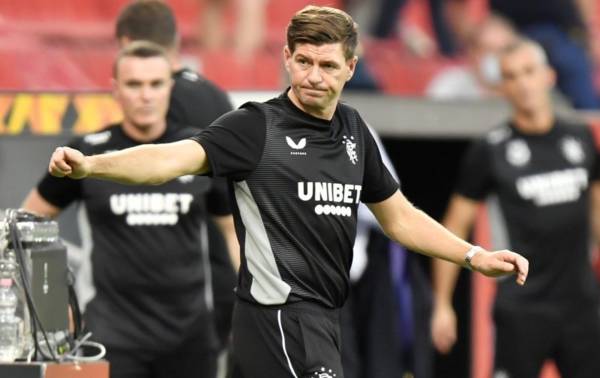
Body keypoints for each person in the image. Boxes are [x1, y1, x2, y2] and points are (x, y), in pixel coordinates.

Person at [45, 6, 528, 378]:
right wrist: (91, 165)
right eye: (303, 61)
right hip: (279, 319)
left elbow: (399, 217)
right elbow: (168, 159)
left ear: (351, 67)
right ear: (286, 58)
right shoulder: (257, 126)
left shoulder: (354, 132)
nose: (313, 76)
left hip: (320, 318)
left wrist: (473, 255)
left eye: (326, 64)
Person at [22, 41, 235, 378]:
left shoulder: (196, 153)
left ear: (170, 87)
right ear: (116, 90)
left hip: (189, 336)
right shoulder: (87, 156)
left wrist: (253, 305)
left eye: (155, 84)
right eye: (134, 85)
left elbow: (234, 233)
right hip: (110, 336)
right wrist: (51, 305)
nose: (145, 95)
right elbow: (28, 222)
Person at [431, 39, 600, 377]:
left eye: (528, 72)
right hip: (521, 309)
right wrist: (442, 305)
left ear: (548, 76)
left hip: (581, 306)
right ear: (502, 87)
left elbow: (596, 210)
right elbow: (454, 225)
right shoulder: (491, 150)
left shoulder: (580, 138)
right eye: (510, 76)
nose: (522, 84)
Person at [115, 0, 239, 351]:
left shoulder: (160, 103)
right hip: (223, 273)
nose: (147, 95)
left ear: (127, 44)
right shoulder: (213, 94)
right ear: (176, 39)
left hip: (182, 287)